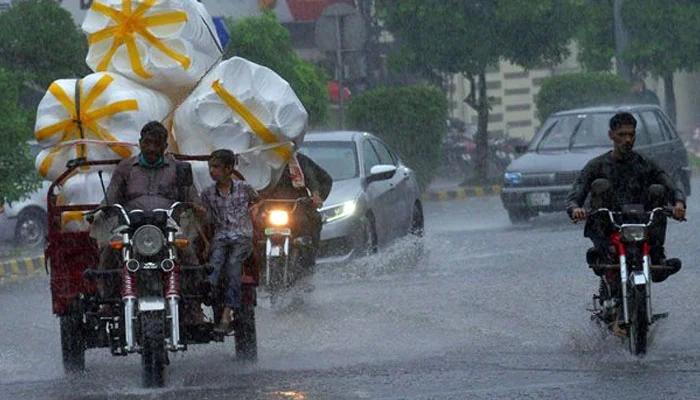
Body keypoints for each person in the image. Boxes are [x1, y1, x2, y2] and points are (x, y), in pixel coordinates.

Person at [567, 112, 685, 278]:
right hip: (610, 224)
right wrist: (575, 209)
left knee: (657, 189)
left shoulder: (645, 163)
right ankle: (603, 254)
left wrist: (679, 203)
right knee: (600, 185)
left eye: (631, 134)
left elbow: (669, 183)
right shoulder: (596, 165)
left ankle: (657, 257)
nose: (627, 140)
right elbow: (575, 194)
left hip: (640, 222)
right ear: (611, 136)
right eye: (622, 135)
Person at [96, 121, 200, 302]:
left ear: (165, 146)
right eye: (147, 142)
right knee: (108, 250)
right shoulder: (125, 167)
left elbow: (191, 197)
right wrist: (99, 210)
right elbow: (111, 197)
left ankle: (192, 302)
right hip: (130, 225)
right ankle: (107, 299)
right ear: (140, 142)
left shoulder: (178, 168)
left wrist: (198, 207)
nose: (151, 148)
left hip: (169, 224)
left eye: (157, 144)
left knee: (188, 251)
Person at [200, 149, 259, 333]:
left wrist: (256, 211)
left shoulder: (244, 188)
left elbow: (259, 201)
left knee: (234, 265)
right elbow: (206, 219)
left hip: (242, 237)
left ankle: (227, 312)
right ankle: (209, 292)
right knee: (214, 263)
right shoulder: (207, 193)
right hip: (221, 237)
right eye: (210, 167)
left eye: (216, 167)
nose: (212, 171)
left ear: (229, 169)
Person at [259, 151, 332, 273]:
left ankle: (308, 261)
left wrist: (316, 196)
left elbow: (325, 179)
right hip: (267, 208)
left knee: (313, 220)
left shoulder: (300, 161)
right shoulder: (260, 160)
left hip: (297, 207)